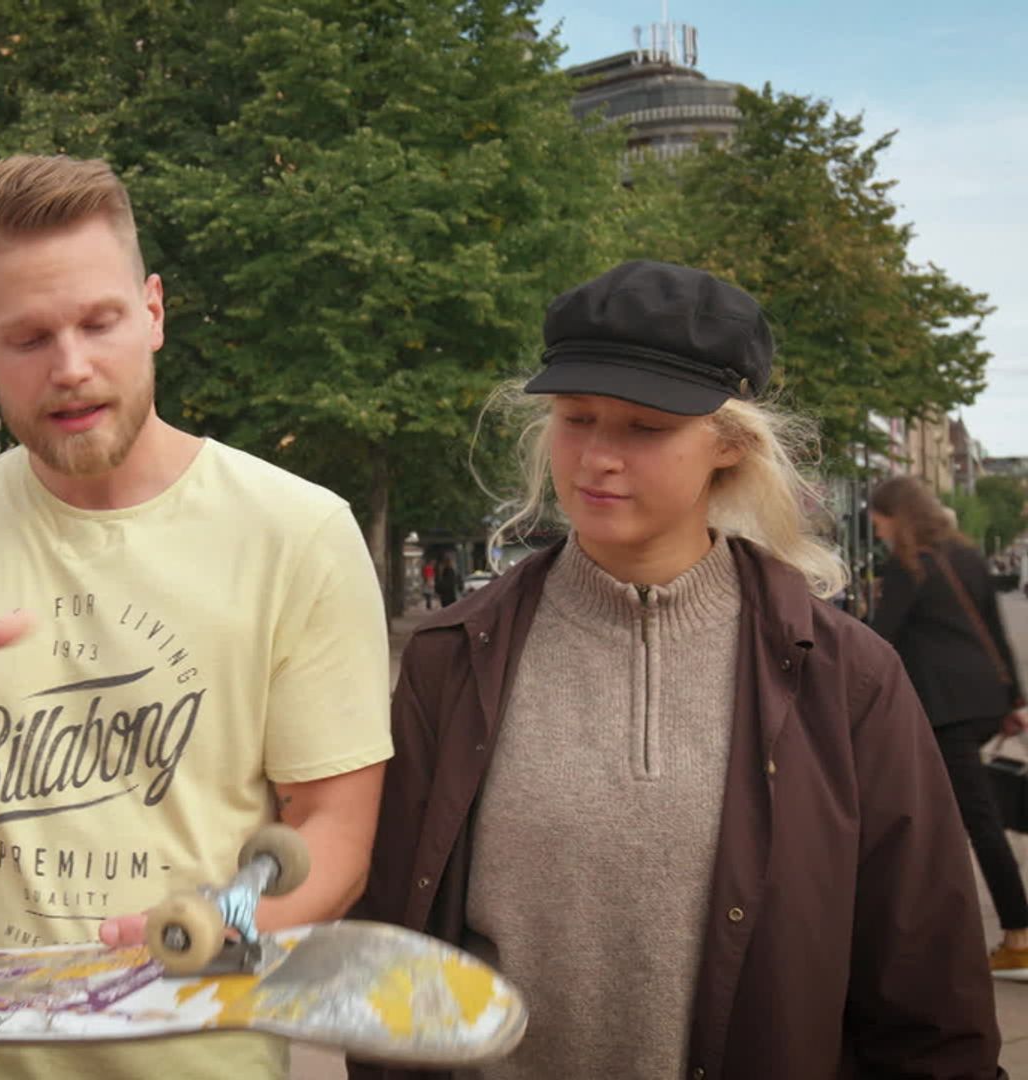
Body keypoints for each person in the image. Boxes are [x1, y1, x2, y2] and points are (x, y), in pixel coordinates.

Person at [0, 154, 394, 1080]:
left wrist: (224, 927)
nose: (71, 368)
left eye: (99, 322)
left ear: (153, 311)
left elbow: (334, 835)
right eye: (30, 337)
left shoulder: (298, 532)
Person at [351, 261, 1002, 1080]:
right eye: (577, 417)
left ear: (729, 445)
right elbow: (389, 955)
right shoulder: (450, 660)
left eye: (645, 427)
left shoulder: (848, 681)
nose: (597, 457)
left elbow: (927, 994)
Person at [869, 474, 1028, 976]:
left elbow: (878, 642)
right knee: (940, 811)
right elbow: (995, 628)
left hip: (944, 709)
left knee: (976, 819)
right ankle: (934, 929)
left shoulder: (908, 566)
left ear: (895, 517)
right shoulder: (966, 555)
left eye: (880, 524)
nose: (879, 533)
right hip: (983, 701)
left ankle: (1019, 935)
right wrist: (1013, 696)